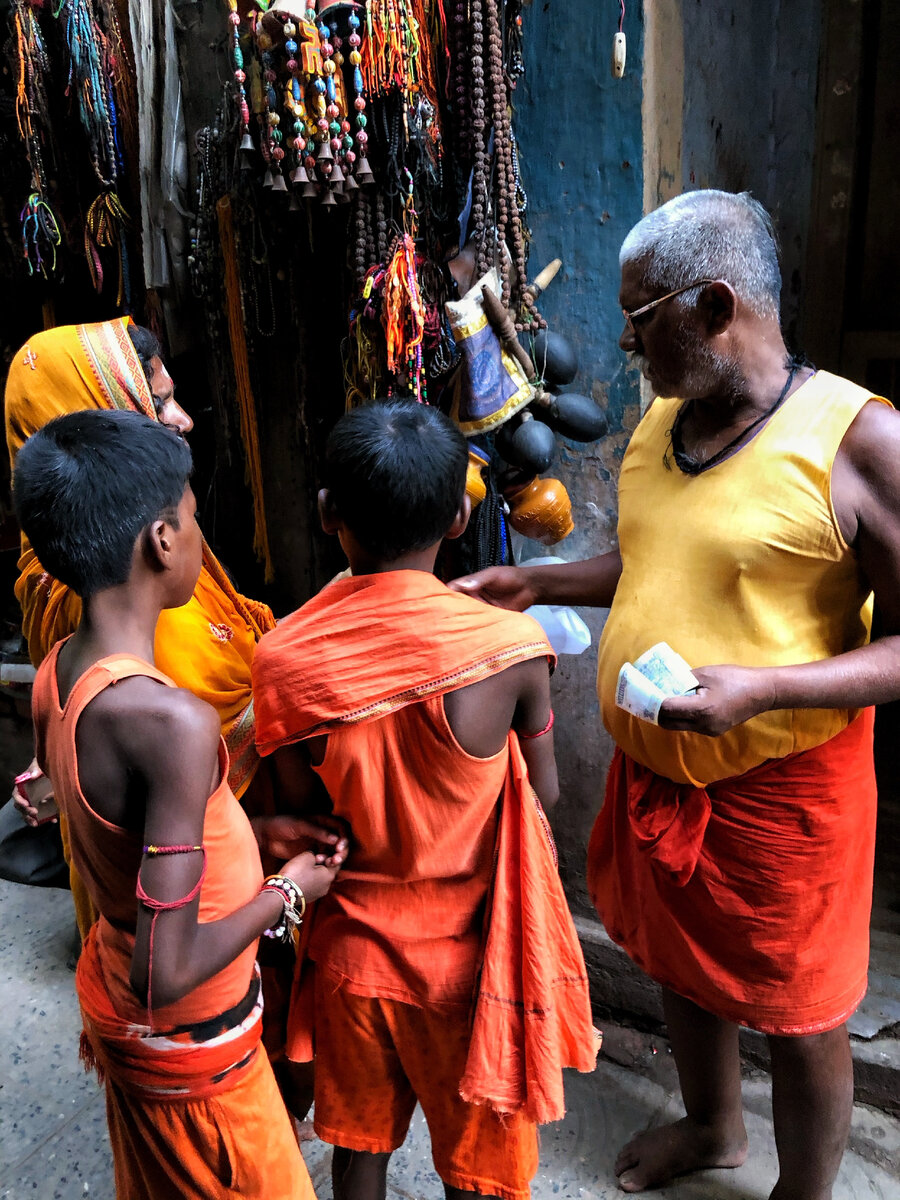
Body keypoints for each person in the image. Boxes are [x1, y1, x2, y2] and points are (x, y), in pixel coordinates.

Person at [452, 190, 899, 1200]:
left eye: (640, 321)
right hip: (661, 776)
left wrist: (768, 691)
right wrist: (537, 580)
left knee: (800, 1012)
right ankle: (711, 1129)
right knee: (678, 963)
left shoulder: (863, 443)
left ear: (712, 305)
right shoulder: (663, 424)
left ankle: (804, 1191)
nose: (622, 346)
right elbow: (650, 559)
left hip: (786, 794)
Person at [251, 400, 597, 1200]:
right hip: (473, 965)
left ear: (327, 513)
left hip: (353, 952)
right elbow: (538, 794)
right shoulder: (512, 651)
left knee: (358, 1150)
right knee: (479, 1173)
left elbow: (308, 821)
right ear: (460, 514)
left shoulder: (285, 660)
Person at [15, 407, 345, 1199]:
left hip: (121, 1009)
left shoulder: (60, 670)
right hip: (194, 1042)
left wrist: (253, 833)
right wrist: (288, 890)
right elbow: (167, 971)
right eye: (195, 520)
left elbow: (116, 828)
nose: (201, 539)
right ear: (161, 541)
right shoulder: (171, 723)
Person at [5, 319, 277, 937]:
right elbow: (167, 966)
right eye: (157, 403)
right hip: (204, 936)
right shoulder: (151, 645)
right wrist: (286, 893)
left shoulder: (70, 624)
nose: (181, 418)